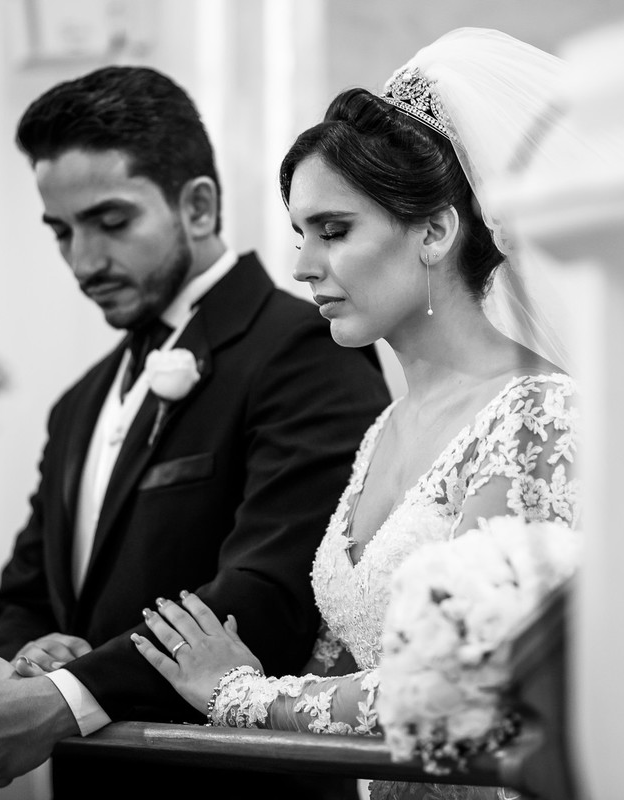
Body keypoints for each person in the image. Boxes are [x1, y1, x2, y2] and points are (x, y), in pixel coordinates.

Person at [131, 28, 581, 800]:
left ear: (436, 230)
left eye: (334, 232)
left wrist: (240, 694)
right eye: (301, 235)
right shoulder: (385, 430)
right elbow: (346, 661)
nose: (304, 267)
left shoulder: (535, 416)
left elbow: (444, 689)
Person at [0, 65, 389, 797]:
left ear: (196, 206)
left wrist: (65, 696)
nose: (83, 261)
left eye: (111, 223)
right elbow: (23, 591)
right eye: (62, 232)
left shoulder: (301, 349)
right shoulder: (79, 402)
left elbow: (272, 589)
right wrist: (12, 660)